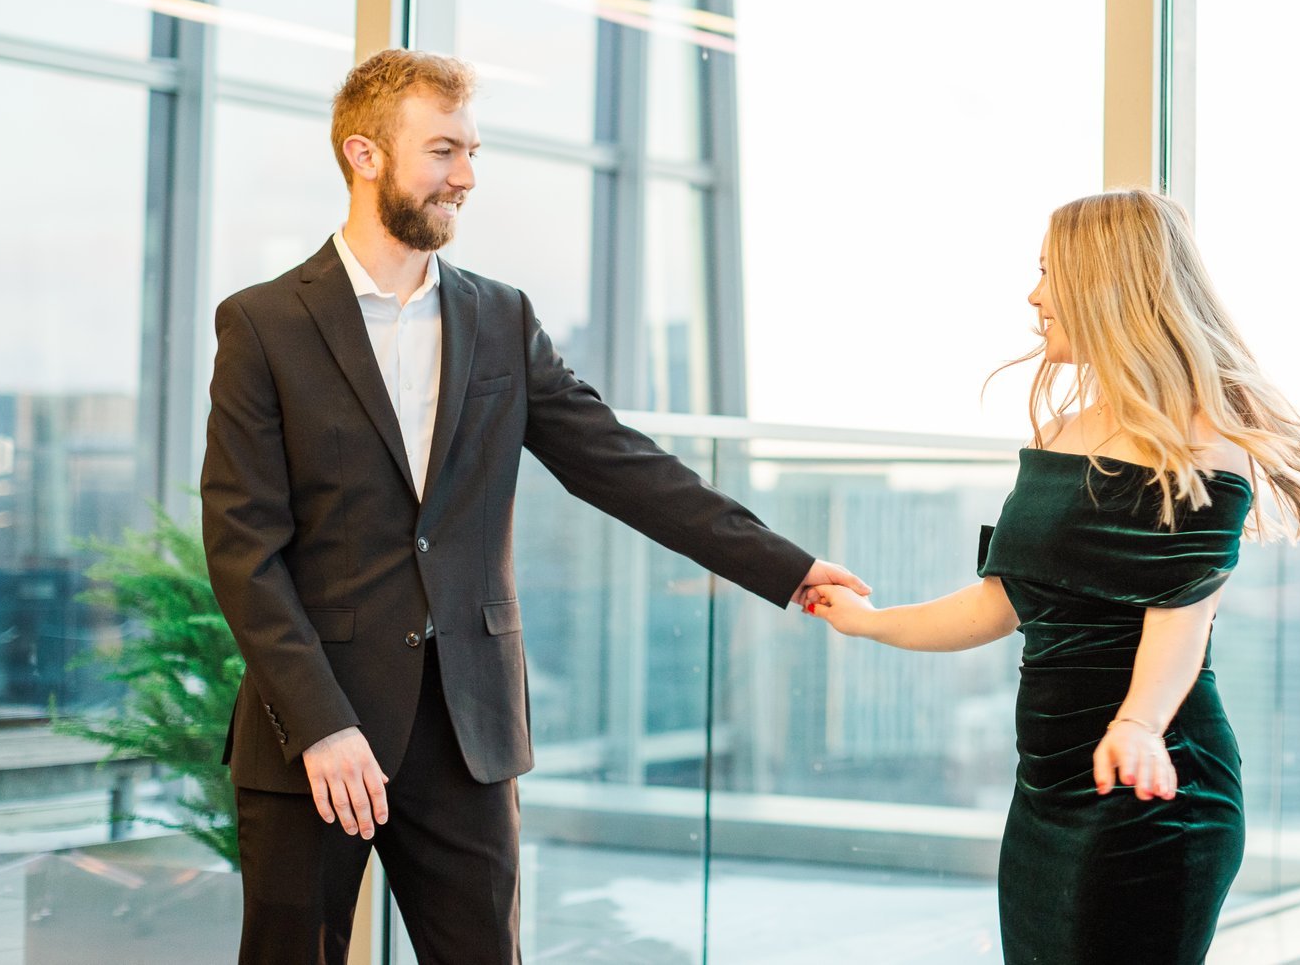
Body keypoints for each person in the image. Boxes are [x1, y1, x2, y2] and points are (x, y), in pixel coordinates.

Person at [202, 49, 865, 964]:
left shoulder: (500, 317)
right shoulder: (263, 323)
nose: (466, 176)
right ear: (363, 155)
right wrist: (321, 723)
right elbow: (244, 549)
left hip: (468, 728)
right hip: (315, 727)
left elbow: (619, 464)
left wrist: (783, 566)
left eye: (472, 151)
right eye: (442, 151)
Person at [809, 187, 1300, 964]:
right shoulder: (1065, 431)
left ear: (1110, 285)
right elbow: (1000, 604)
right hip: (1048, 789)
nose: (1033, 294)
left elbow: (1184, 614)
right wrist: (866, 619)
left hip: (1150, 790)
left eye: (1050, 272)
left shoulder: (1201, 440)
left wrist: (1139, 723)